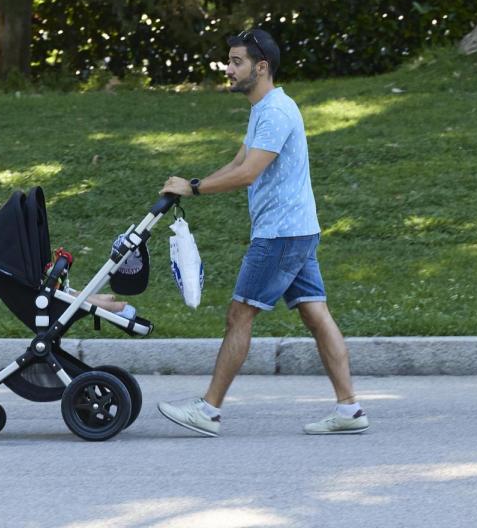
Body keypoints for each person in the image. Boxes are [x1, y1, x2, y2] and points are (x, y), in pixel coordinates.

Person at [156, 28, 369, 437]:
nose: (229, 69)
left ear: (262, 67)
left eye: (237, 62)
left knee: (240, 314)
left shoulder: (274, 112)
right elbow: (239, 162)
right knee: (316, 313)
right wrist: (192, 184)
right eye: (229, 61)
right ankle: (349, 410)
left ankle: (208, 410)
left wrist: (194, 189)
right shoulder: (265, 109)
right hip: (297, 229)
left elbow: (249, 174)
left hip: (280, 234)